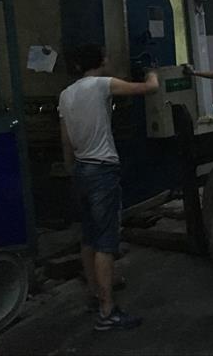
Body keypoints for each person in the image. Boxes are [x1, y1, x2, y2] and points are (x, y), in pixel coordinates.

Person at [59, 45, 158, 332]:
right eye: (107, 57)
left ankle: (95, 294)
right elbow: (149, 89)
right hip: (102, 171)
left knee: (89, 237)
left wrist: (71, 169)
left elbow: (65, 139)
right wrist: (152, 71)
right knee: (105, 241)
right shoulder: (102, 84)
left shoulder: (66, 94)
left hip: (81, 169)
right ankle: (107, 311)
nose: (110, 60)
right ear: (101, 61)